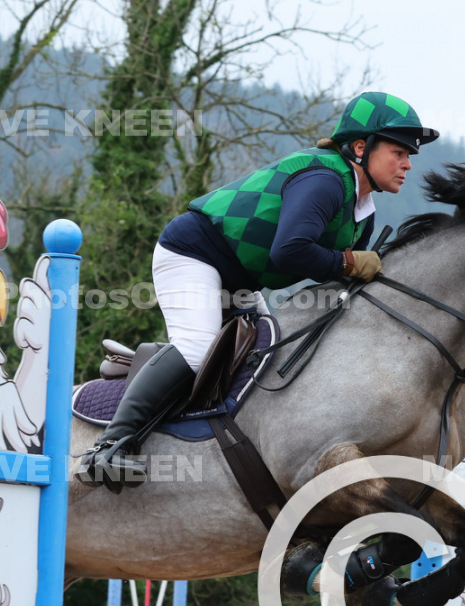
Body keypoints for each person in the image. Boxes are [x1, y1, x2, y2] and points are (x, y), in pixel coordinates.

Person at [77, 92, 439, 487]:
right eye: (398, 152)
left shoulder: (362, 211)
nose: (407, 164)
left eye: (409, 155)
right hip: (193, 254)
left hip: (240, 280)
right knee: (197, 348)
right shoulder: (325, 180)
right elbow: (290, 251)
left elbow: (332, 278)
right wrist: (349, 263)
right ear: (359, 147)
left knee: (271, 355)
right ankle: (109, 448)